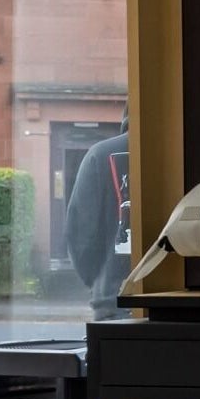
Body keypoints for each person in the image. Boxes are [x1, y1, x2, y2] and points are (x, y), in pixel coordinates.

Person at [65, 130, 130, 318]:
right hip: (177, 303)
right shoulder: (183, 149)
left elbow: (80, 233)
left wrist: (99, 281)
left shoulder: (101, 154)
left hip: (114, 301)